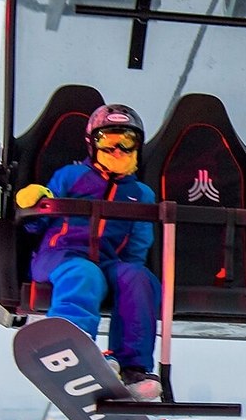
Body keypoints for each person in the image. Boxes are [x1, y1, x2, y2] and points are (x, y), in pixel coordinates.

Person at [16, 104, 162, 401]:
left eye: (127, 141)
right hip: (60, 255)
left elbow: (138, 244)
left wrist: (125, 278)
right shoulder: (71, 176)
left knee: (138, 278)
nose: (118, 148)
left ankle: (133, 367)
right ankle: (72, 345)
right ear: (93, 143)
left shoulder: (141, 194)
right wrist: (35, 203)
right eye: (108, 140)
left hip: (108, 261)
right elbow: (36, 226)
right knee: (85, 273)